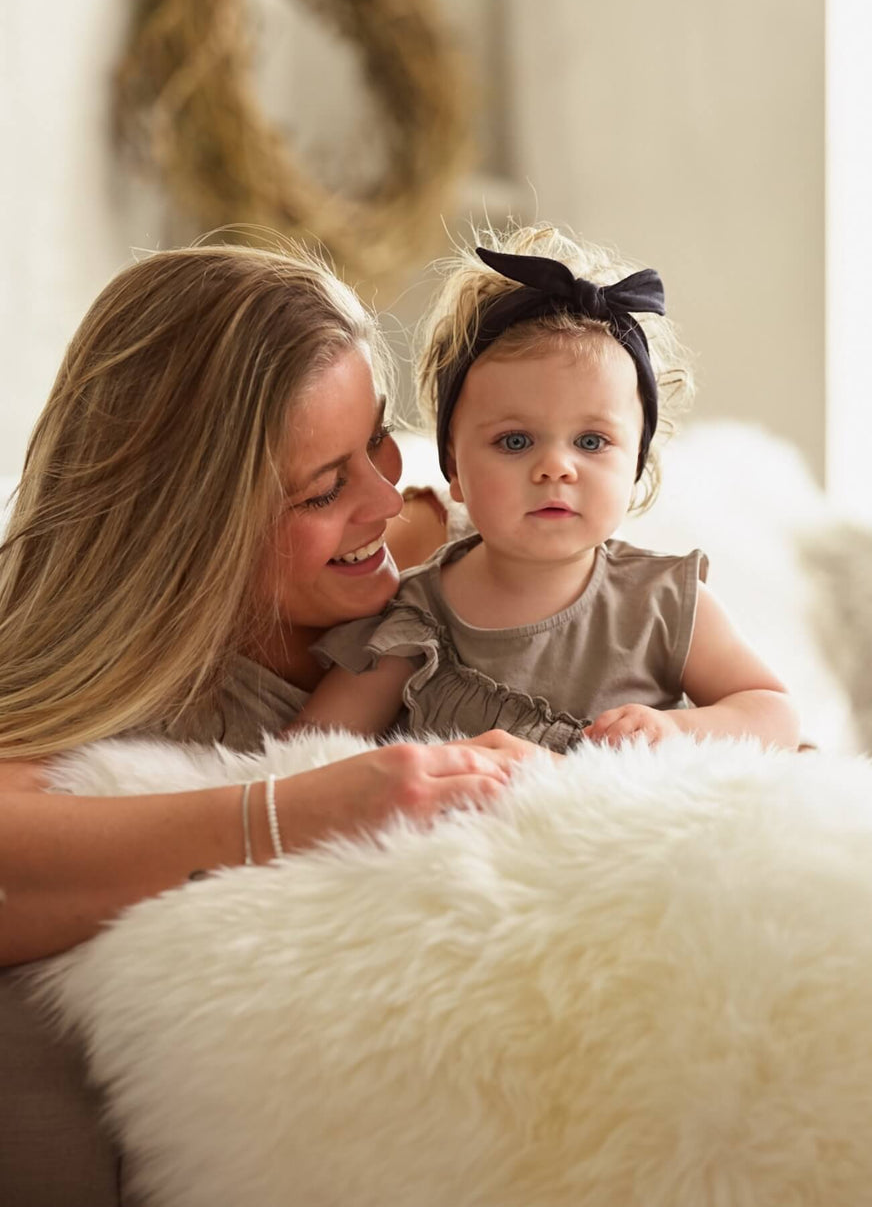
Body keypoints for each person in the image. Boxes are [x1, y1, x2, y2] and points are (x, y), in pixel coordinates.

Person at [0, 242, 536, 1204]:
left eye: (379, 440)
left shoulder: (471, 560)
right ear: (187, 526)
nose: (384, 496)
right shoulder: (130, 687)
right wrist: (289, 817)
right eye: (323, 489)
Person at [295, 225, 801, 753]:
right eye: (515, 441)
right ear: (455, 469)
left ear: (635, 466)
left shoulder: (663, 603)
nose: (556, 468)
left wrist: (676, 729)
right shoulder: (418, 620)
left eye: (591, 440)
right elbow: (310, 753)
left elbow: (774, 712)